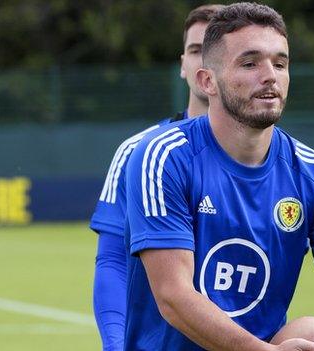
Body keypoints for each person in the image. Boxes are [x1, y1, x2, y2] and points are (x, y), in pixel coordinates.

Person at [124, 3, 314, 351]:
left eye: (280, 63)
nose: (270, 75)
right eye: (250, 62)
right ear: (206, 81)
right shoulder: (163, 155)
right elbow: (173, 295)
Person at [89, 4, 223, 350]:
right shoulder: (137, 151)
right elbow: (112, 261)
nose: (204, 62)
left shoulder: (278, 161)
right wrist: (115, 345)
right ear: (182, 65)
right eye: (196, 51)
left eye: (215, 50)